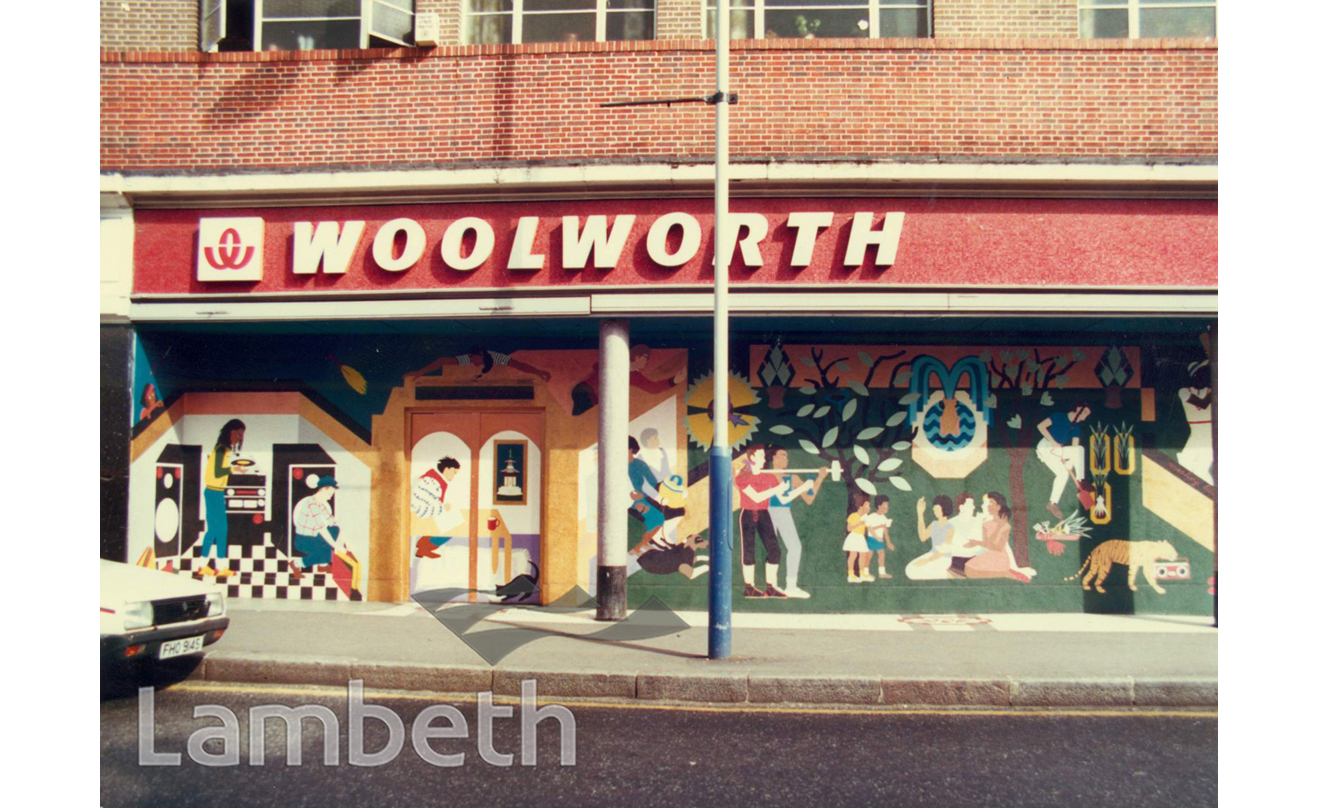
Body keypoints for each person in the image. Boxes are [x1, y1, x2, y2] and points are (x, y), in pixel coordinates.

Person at [765, 446, 826, 598]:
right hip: (766, 513)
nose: (785, 459)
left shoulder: (792, 478)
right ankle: (771, 587)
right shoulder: (764, 475)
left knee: (795, 547)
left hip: (783, 512)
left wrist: (819, 478)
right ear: (773, 458)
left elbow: (809, 498)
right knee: (772, 549)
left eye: (786, 457)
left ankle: (791, 587)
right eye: (781, 456)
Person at [735, 445, 791, 598]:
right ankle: (749, 588)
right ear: (752, 458)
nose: (764, 458)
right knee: (749, 551)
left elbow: (784, 497)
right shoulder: (742, 478)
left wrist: (803, 487)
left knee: (775, 550)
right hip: (747, 514)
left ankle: (771, 587)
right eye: (760, 455)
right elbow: (756, 497)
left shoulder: (769, 477)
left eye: (764, 456)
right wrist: (776, 490)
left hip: (763, 514)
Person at [570, 345, 686, 416]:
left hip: (584, 392)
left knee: (579, 419)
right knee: (580, 419)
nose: (646, 362)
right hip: (587, 394)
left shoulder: (633, 374)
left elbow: (652, 388)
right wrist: (674, 381)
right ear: (636, 356)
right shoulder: (628, 371)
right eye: (645, 358)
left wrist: (674, 381)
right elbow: (597, 366)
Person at [199, 419, 245, 577]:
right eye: (238, 435)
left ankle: (207, 565)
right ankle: (218, 565)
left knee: (214, 530)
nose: (239, 438)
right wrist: (235, 468)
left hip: (214, 491)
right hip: (214, 492)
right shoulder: (221, 450)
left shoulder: (222, 449)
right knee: (220, 529)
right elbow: (219, 472)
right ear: (230, 431)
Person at [1036, 403, 1092, 520]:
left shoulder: (1076, 427)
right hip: (1045, 447)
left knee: (1079, 450)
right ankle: (1052, 503)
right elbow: (1041, 426)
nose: (1085, 417)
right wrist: (1053, 442)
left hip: (1057, 450)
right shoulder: (1058, 416)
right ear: (1078, 408)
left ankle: (1080, 482)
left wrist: (1070, 461)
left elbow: (1075, 446)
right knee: (1063, 474)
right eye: (1085, 413)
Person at [961, 492, 1030, 582]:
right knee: (968, 568)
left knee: (971, 571)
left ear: (998, 507)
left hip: (1000, 557)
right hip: (989, 555)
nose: (988, 506)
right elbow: (989, 543)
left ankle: (1004, 573)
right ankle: (1003, 574)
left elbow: (998, 547)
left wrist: (977, 542)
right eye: (988, 503)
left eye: (991, 503)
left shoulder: (1006, 526)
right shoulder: (985, 524)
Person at [289, 477, 347, 582]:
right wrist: (336, 546)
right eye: (330, 494)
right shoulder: (311, 504)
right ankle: (296, 563)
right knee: (328, 554)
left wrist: (343, 539)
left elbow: (332, 521)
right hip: (303, 540)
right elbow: (322, 530)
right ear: (324, 489)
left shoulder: (320, 504)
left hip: (313, 537)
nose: (330, 498)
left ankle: (322, 566)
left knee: (335, 529)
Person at [411, 457, 462, 559]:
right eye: (454, 472)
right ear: (446, 469)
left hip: (423, 512)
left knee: (454, 520)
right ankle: (424, 549)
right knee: (455, 526)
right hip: (419, 513)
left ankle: (422, 544)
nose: (454, 476)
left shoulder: (434, 479)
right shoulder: (431, 481)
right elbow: (424, 506)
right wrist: (443, 508)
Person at [405, 347, 551, 382]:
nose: (473, 362)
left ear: (481, 356)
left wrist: (538, 372)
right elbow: (443, 360)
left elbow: (519, 365)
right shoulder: (468, 358)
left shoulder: (495, 357)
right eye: (471, 359)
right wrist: (420, 372)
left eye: (475, 359)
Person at [627, 436, 667, 554]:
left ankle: (642, 543)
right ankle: (636, 547)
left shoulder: (639, 464)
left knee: (659, 518)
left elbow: (653, 482)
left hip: (641, 497)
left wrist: (666, 494)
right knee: (652, 518)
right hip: (629, 499)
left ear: (630, 449)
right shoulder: (616, 466)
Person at [1176, 360, 1213, 484]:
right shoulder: (1183, 391)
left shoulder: (1211, 391)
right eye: (1199, 373)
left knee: (1201, 470)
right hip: (1196, 433)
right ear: (1193, 375)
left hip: (1210, 434)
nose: (1203, 377)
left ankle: (1212, 497)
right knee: (1184, 464)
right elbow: (1202, 404)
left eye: (1204, 373)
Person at [906, 494, 956, 580]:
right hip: (932, 554)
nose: (934, 511)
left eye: (937, 509)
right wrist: (920, 513)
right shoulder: (934, 524)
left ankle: (947, 576)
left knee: (918, 571)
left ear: (944, 509)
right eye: (934, 509)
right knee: (910, 570)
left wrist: (926, 560)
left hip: (944, 558)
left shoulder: (950, 528)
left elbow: (943, 551)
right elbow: (922, 537)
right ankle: (943, 575)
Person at [863, 495, 895, 580]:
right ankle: (865, 573)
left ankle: (882, 573)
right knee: (869, 555)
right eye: (885, 505)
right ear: (879, 506)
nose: (886, 507)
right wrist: (877, 536)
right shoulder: (872, 516)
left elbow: (885, 531)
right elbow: (869, 528)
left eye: (887, 505)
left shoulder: (884, 518)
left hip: (880, 539)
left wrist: (888, 542)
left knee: (881, 555)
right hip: (872, 539)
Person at [843, 493, 873, 583]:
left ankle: (862, 574)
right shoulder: (853, 516)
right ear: (861, 506)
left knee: (863, 555)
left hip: (860, 537)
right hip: (853, 537)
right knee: (853, 555)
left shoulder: (865, 517)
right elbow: (849, 528)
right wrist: (860, 523)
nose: (869, 508)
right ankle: (851, 575)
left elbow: (869, 526)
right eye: (867, 505)